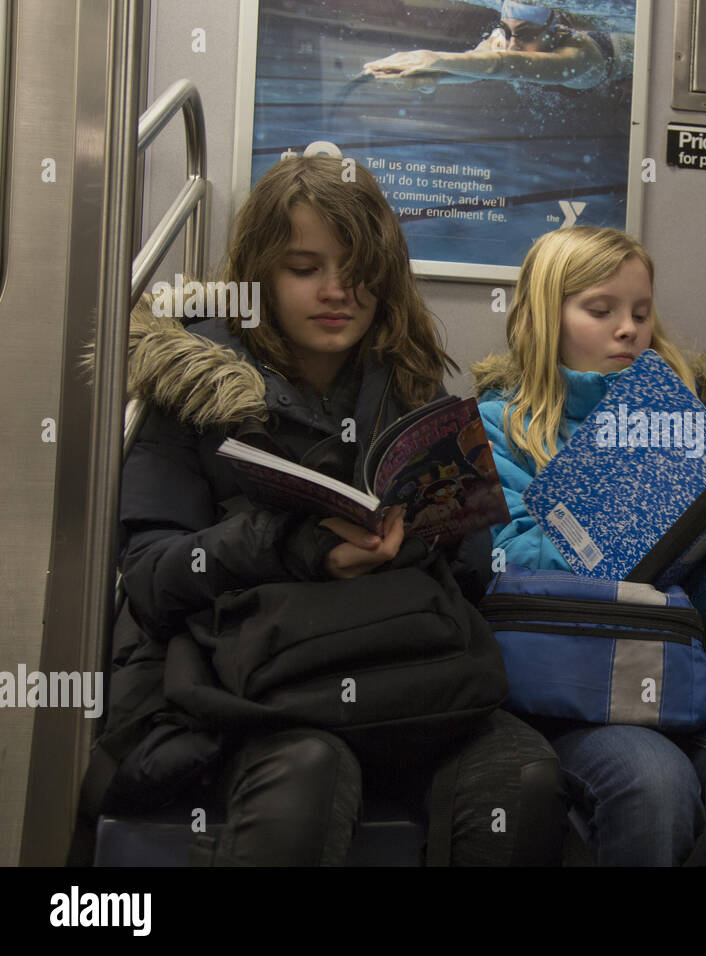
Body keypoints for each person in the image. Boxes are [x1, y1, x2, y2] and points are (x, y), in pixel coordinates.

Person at [103, 155, 566, 866]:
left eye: (356, 269)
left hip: (397, 669)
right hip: (252, 683)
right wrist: (293, 542)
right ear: (259, 278)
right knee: (307, 779)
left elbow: (472, 577)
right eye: (304, 268)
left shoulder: (413, 385)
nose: (337, 292)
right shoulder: (190, 386)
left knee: (522, 780)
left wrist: (427, 532)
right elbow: (152, 578)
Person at [471, 225, 706, 865]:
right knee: (653, 783)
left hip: (680, 680)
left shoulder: (681, 421)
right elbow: (508, 564)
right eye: (600, 311)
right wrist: (631, 500)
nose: (628, 329)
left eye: (640, 311)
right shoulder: (499, 427)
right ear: (546, 318)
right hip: (571, 690)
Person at [363, 1, 633, 93]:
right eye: (505, 31)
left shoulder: (578, 57)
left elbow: (505, 65)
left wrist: (431, 57)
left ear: (551, 32)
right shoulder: (505, 40)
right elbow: (477, 64)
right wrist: (430, 77)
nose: (511, 45)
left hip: (627, 56)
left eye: (525, 35)